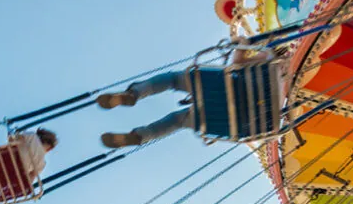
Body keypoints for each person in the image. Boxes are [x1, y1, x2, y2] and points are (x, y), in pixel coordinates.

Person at [96, 43, 276, 148]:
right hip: (242, 113)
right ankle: (139, 135)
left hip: (234, 107)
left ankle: (135, 96)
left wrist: (241, 44)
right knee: (178, 119)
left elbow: (238, 61)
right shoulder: (275, 66)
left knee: (174, 82)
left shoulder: (268, 63)